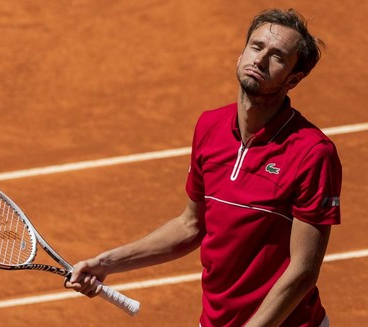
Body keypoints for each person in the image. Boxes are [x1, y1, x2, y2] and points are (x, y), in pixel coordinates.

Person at [65, 8, 341, 327]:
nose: (261, 59)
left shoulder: (312, 153)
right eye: (256, 46)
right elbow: (191, 225)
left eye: (277, 56)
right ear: (240, 55)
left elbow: (303, 272)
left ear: (293, 79)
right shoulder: (210, 126)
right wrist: (105, 263)